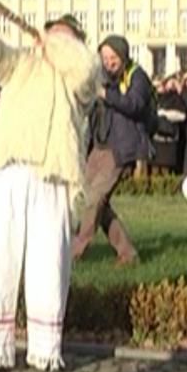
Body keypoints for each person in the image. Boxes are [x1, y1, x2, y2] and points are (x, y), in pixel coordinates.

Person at [0, 0, 101, 372]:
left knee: (48, 264)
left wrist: (56, 44)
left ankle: (45, 348)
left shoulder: (80, 78)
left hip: (52, 174)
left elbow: (86, 70)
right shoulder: (22, 62)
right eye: (48, 33)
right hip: (6, 167)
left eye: (61, 36)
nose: (49, 40)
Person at [72, 35, 145, 265]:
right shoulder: (102, 77)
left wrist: (107, 95)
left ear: (123, 56)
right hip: (100, 146)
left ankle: (75, 251)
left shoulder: (137, 76)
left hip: (120, 149)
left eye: (113, 57)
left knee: (95, 200)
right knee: (92, 200)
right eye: (104, 57)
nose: (109, 62)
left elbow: (136, 105)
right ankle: (127, 253)